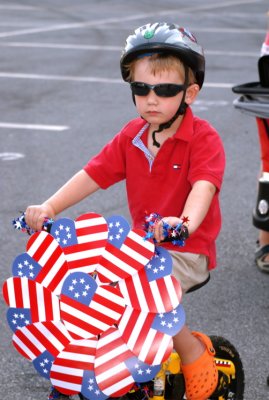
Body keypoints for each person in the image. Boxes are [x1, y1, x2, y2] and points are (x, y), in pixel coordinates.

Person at [25, 22, 225, 400]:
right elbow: (93, 175)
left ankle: (194, 353)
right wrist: (49, 206)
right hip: (136, 249)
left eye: (165, 90)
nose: (152, 99)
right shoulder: (131, 136)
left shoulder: (204, 139)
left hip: (185, 250)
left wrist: (182, 224)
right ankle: (90, 371)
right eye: (141, 88)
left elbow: (204, 187)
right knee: (88, 289)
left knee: (141, 298)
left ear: (190, 93)